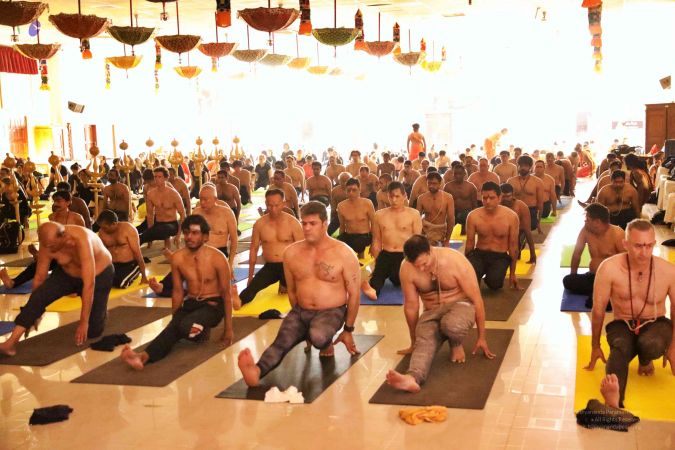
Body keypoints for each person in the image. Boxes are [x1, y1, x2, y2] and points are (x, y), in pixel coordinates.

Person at [238, 201, 360, 386]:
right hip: (301, 311)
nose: (307, 228)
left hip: (332, 311)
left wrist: (348, 329)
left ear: (325, 224)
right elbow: (292, 290)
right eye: (304, 223)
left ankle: (323, 341)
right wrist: (298, 320)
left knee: (318, 336)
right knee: (282, 341)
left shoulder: (344, 253)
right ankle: (256, 371)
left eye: (313, 223)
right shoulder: (291, 253)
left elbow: (354, 294)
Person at [121, 215, 234, 369]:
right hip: (191, 303)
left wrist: (228, 330)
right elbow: (178, 291)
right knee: (173, 328)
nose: (189, 237)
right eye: (186, 233)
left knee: (185, 325)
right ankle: (143, 357)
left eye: (195, 233)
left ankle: (199, 329)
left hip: (213, 305)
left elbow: (226, 294)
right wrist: (175, 320)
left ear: (205, 237)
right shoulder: (178, 258)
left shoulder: (218, 258)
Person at [385, 235, 495, 392]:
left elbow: (477, 299)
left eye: (424, 264)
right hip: (431, 312)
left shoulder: (455, 260)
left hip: (461, 306)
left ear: (430, 250)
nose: (421, 269)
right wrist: (414, 340)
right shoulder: (406, 269)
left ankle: (455, 343)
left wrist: (482, 337)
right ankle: (412, 378)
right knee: (424, 340)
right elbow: (411, 306)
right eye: (417, 266)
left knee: (452, 325)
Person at [584, 220, 675, 408]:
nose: (644, 252)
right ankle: (614, 403)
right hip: (623, 324)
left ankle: (645, 359)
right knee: (619, 350)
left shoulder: (668, 271)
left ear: (654, 243)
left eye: (649, 246)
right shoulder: (609, 268)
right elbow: (598, 309)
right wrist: (595, 345)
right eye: (638, 246)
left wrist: (673, 347)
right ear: (625, 244)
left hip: (656, 323)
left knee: (650, 344)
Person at [0, 223, 114, 356]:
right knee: (39, 297)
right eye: (46, 245)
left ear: (63, 236)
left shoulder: (82, 239)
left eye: (52, 246)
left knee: (93, 331)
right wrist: (34, 312)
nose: (48, 249)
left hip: (99, 275)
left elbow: (89, 284)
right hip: (66, 274)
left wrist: (84, 323)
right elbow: (40, 278)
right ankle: (10, 343)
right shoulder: (47, 243)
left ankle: (100, 313)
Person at [234, 189, 303, 308]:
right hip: (270, 267)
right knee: (251, 289)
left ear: (283, 203)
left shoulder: (293, 223)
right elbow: (253, 249)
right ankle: (238, 301)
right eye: (270, 205)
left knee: (300, 293)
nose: (273, 209)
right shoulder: (260, 224)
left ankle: (284, 285)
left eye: (276, 205)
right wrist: (250, 277)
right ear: (266, 203)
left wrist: (302, 275)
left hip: (289, 266)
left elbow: (303, 250)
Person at [361, 182, 422, 300]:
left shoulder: (414, 214)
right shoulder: (379, 215)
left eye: (397, 196)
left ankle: (399, 277)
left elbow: (417, 241)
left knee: (398, 279)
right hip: (386, 254)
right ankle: (372, 288)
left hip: (405, 255)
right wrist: (376, 264)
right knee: (376, 282)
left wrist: (416, 264)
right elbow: (377, 240)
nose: (394, 200)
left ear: (404, 196)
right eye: (391, 196)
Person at [562, 203, 623, 308]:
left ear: (597, 222)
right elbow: (577, 254)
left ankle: (606, 293)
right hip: (593, 277)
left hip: (612, 280)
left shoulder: (617, 233)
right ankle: (600, 292)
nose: (585, 221)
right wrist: (573, 276)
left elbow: (628, 261)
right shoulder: (586, 230)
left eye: (587, 219)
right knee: (568, 281)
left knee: (593, 303)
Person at [465, 182, 519, 290]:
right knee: (471, 277)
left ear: (499, 198)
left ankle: (491, 276)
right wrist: (465, 271)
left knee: (494, 283)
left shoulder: (511, 217)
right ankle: (477, 274)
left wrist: (513, 274)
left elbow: (513, 246)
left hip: (500, 256)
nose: (488, 201)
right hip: (479, 254)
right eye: (484, 198)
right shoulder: (473, 216)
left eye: (492, 198)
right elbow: (469, 244)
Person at [96, 210, 148, 288]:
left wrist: (144, 276)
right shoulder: (102, 232)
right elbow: (102, 253)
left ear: (114, 224)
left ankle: (137, 269)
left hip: (129, 264)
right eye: (101, 227)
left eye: (105, 228)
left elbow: (137, 252)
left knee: (121, 283)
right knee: (100, 281)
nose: (102, 230)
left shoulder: (128, 229)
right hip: (113, 265)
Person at [141, 167, 186, 249]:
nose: (157, 179)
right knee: (140, 235)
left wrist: (179, 235)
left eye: (159, 177)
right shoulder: (151, 194)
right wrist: (149, 235)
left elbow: (183, 215)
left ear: (165, 178)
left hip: (172, 224)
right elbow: (150, 214)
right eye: (155, 177)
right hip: (158, 224)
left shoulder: (173, 194)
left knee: (163, 229)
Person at [337, 178, 375, 259]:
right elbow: (342, 226)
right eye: (348, 190)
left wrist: (374, 244)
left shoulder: (367, 203)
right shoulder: (341, 206)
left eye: (354, 190)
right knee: (337, 244)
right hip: (349, 235)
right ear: (345, 191)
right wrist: (340, 241)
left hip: (364, 236)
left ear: (359, 190)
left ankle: (361, 259)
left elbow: (374, 224)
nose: (351, 193)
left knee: (358, 243)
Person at [500, 183, 536, 264]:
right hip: (501, 234)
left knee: (515, 256)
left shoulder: (521, 206)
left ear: (513, 195)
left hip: (517, 233)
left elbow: (527, 231)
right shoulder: (496, 205)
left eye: (508, 196)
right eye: (503, 196)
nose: (505, 199)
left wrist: (533, 255)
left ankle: (518, 248)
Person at [416, 172, 455, 246]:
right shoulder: (421, 198)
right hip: (426, 230)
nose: (431, 186)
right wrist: (418, 237)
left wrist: (447, 240)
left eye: (434, 183)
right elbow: (417, 219)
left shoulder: (448, 198)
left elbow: (451, 219)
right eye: (429, 183)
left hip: (441, 230)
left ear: (440, 184)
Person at [508, 155, 543, 232]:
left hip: (531, 209)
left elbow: (540, 203)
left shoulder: (538, 182)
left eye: (525, 166)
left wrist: (538, 222)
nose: (523, 168)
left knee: (531, 226)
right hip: (515, 209)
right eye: (521, 166)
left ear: (530, 167)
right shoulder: (511, 181)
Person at [444, 165, 477, 235]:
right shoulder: (447, 186)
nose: (457, 176)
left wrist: (475, 218)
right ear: (453, 174)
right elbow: (443, 203)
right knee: (446, 231)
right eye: (455, 173)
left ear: (464, 174)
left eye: (460, 173)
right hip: (452, 212)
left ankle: (464, 228)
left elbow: (474, 204)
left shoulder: (471, 186)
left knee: (465, 232)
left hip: (466, 213)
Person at [328, 172, 350, 236]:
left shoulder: (353, 190)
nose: (345, 183)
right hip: (338, 213)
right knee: (329, 231)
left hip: (352, 213)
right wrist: (332, 218)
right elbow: (333, 207)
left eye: (347, 180)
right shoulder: (335, 191)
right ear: (339, 181)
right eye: (343, 181)